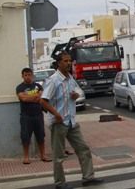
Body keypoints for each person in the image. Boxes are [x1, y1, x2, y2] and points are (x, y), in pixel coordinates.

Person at [40, 51, 103, 189]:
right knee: (59, 156)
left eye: (70, 61)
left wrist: (75, 95)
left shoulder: (70, 78)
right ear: (58, 63)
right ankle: (60, 183)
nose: (69, 63)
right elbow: (43, 101)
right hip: (59, 123)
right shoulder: (53, 80)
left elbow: (78, 91)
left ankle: (88, 177)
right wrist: (56, 114)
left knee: (83, 149)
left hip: (71, 122)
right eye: (65, 61)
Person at [15, 68, 51, 164]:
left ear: (32, 75)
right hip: (26, 116)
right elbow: (23, 98)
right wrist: (34, 97)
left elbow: (41, 98)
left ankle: (43, 155)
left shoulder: (38, 86)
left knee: (40, 135)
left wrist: (30, 97)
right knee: (25, 136)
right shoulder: (20, 87)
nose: (27, 77)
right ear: (22, 76)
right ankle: (26, 157)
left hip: (38, 115)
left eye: (29, 74)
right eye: (25, 75)